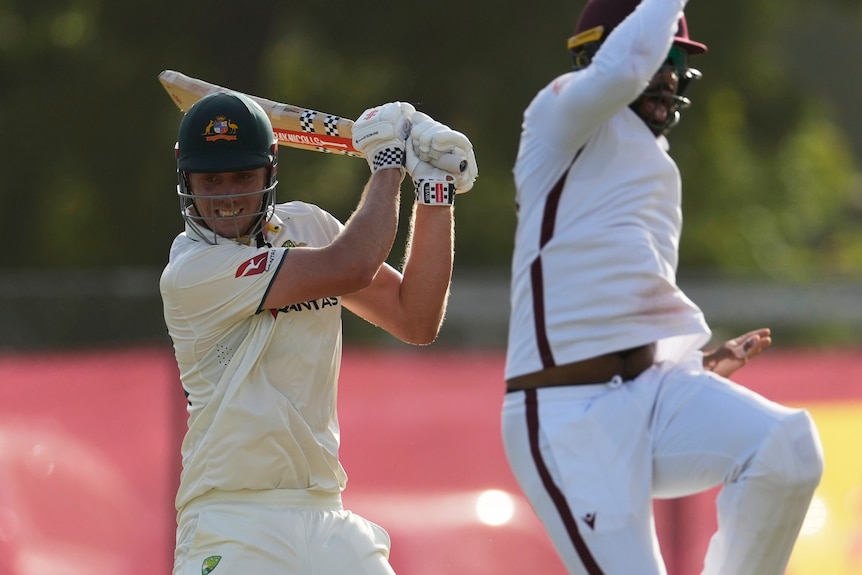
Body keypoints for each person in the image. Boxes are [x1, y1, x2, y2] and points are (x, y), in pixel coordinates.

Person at [501, 0, 824, 573]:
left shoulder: (656, 163)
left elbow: (624, 303)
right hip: (567, 416)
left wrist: (691, 366)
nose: (669, 75)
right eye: (661, 57)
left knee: (788, 448)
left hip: (650, 393)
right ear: (599, 53)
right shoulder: (558, 116)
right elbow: (626, 69)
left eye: (677, 63)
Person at [160, 91, 477, 575]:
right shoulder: (191, 271)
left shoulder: (308, 225)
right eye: (211, 181)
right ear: (186, 178)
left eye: (242, 176)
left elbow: (415, 317)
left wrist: (434, 188)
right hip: (232, 519)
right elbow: (352, 265)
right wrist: (388, 164)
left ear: (270, 167)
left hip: (327, 512)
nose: (227, 197)